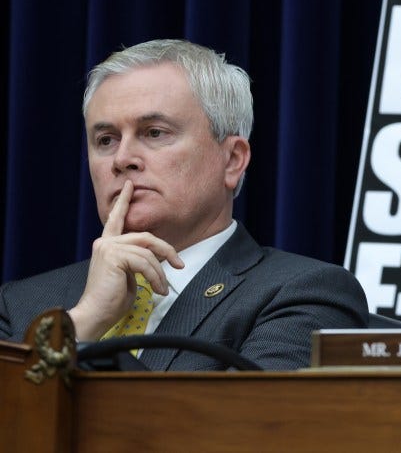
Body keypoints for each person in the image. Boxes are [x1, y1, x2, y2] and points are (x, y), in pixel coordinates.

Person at [0, 39, 368, 369]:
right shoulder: (21, 305)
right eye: (106, 139)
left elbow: (243, 433)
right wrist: (84, 323)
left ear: (232, 160)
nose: (122, 158)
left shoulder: (303, 295)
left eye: (154, 133)